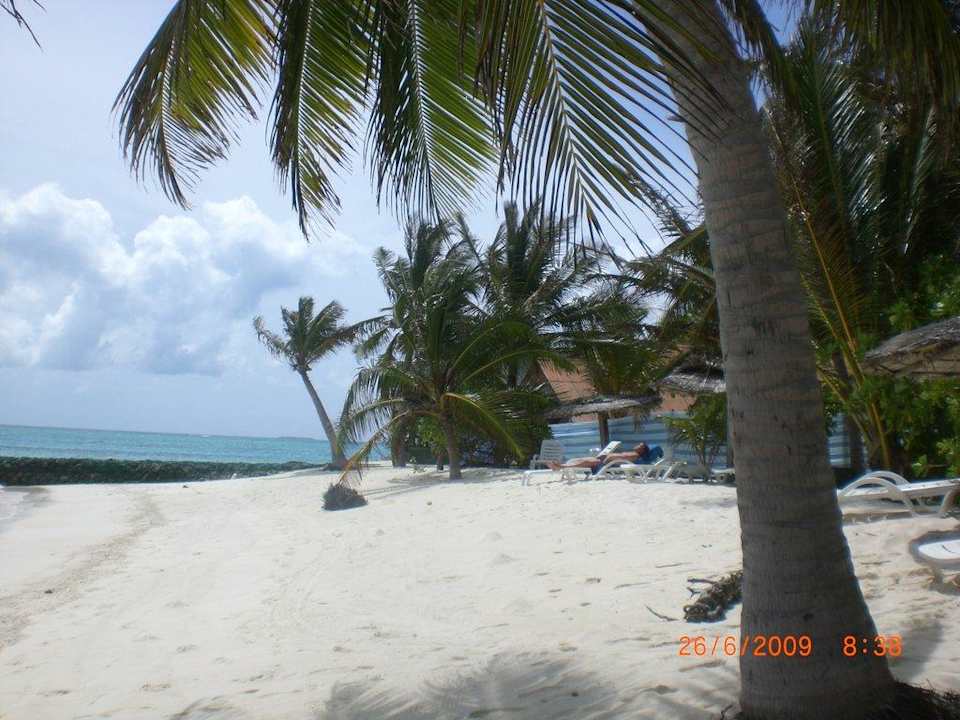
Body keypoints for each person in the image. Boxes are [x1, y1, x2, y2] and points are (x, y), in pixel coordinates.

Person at [548, 443, 654, 474]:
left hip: (604, 464)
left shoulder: (634, 455)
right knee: (582, 459)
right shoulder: (633, 453)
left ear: (642, 450)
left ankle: (561, 466)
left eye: (640, 445)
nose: (637, 445)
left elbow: (621, 459)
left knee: (585, 461)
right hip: (604, 461)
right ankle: (563, 466)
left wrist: (607, 458)